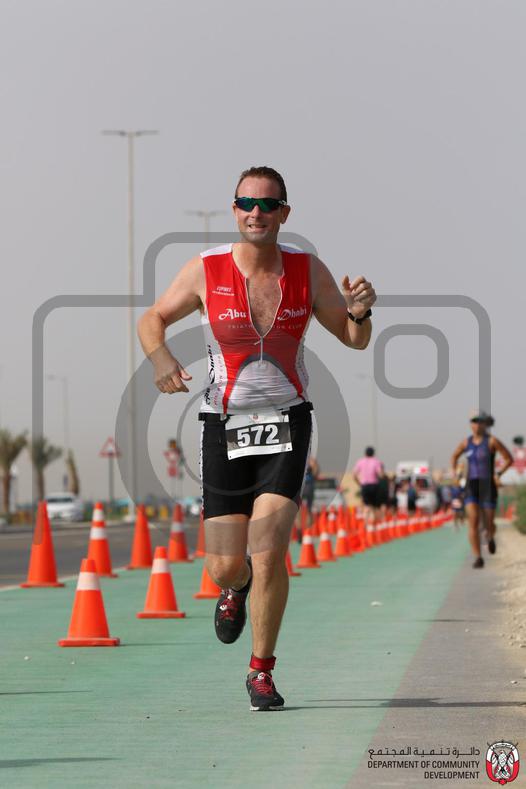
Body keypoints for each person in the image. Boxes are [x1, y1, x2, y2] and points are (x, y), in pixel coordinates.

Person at [138, 166, 376, 710]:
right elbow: (152, 318)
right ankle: (234, 586)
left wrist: (362, 312)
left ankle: (261, 670)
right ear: (235, 209)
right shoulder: (206, 269)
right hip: (224, 424)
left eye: (268, 205)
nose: (256, 213)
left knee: (269, 550)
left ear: (284, 213)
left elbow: (353, 338)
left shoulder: (307, 270)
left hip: (287, 421)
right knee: (225, 564)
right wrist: (160, 359)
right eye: (246, 203)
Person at [450, 411, 513, 568]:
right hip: (471, 485)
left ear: (485, 424)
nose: (477, 424)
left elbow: (509, 458)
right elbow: (454, 457)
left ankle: (490, 536)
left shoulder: (492, 441)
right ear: (470, 424)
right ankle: (478, 557)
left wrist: (498, 474)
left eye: (480, 421)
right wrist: (456, 474)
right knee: (473, 520)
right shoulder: (466, 443)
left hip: (488, 485)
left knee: (489, 523)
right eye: (474, 421)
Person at [352, 447, 385, 522]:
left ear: (365, 453)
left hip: (364, 486)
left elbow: (354, 475)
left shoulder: (360, 461)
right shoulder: (376, 461)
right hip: (374, 486)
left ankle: (366, 523)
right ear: (373, 453)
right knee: (375, 506)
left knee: (366, 505)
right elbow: (381, 475)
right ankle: (376, 524)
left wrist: (359, 483)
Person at [300, 455, 319, 539]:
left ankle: (300, 532)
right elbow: (316, 473)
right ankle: (308, 531)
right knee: (309, 509)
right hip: (308, 487)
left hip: (300, 487)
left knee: (298, 510)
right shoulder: (311, 460)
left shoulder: (298, 458)